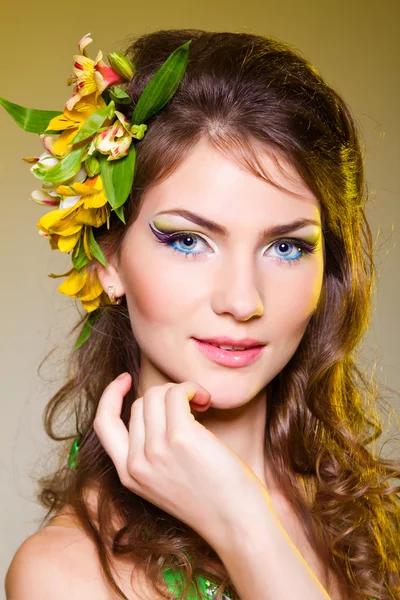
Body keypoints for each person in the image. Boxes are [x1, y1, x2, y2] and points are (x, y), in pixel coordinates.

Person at [3, 28, 399, 600]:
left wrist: (245, 517)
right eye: (188, 241)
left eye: (286, 247)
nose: (242, 301)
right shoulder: (64, 576)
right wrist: (243, 524)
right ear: (106, 258)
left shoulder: (371, 519)